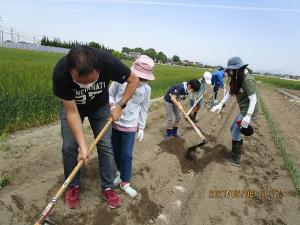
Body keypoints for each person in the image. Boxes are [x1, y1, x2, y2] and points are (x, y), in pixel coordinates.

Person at [52, 45, 139, 209]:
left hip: (99, 107)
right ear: (71, 71)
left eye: (91, 81)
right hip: (73, 107)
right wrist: (83, 147)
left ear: (99, 70)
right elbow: (71, 113)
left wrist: (120, 106)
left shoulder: (107, 62)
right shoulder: (61, 72)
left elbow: (133, 80)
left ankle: (107, 186)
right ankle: (73, 186)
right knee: (69, 147)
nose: (86, 85)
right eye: (80, 82)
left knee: (105, 145)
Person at [109, 55, 155, 198]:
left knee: (127, 155)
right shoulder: (120, 81)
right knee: (115, 151)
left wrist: (141, 128)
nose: (142, 81)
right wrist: (112, 107)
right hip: (115, 123)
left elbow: (144, 108)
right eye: (140, 78)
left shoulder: (146, 90)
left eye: (145, 79)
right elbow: (109, 94)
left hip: (130, 126)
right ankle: (119, 172)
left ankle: (125, 182)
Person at [210, 56, 259, 165]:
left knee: (236, 131)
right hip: (243, 109)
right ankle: (237, 149)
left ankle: (235, 159)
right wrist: (220, 104)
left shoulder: (247, 80)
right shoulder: (237, 77)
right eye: (230, 70)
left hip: (249, 110)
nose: (230, 72)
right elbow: (230, 92)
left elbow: (253, 99)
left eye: (231, 70)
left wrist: (248, 116)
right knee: (233, 128)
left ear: (238, 68)